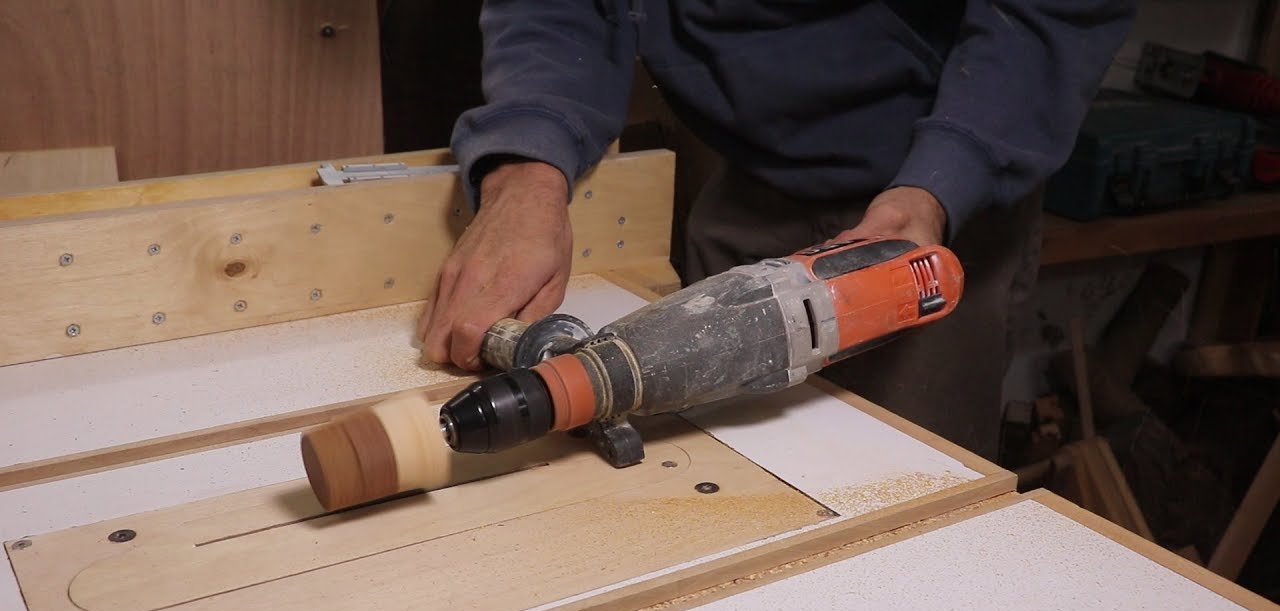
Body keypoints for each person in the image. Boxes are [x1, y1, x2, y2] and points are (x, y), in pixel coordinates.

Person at [416, 1, 1136, 461]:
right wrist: (527, 173)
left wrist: (941, 185)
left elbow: (1052, 15)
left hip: (942, 192)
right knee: (717, 475)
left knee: (899, 502)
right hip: (750, 164)